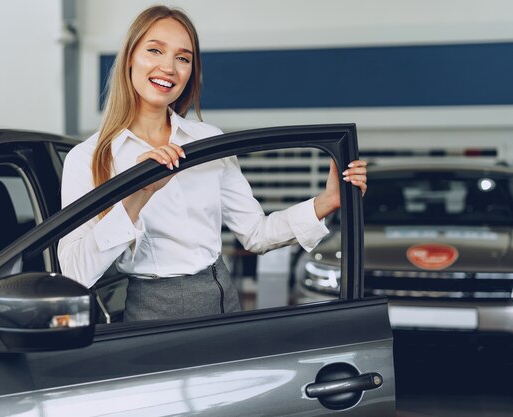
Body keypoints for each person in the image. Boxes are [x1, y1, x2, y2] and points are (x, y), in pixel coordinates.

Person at [58, 5, 367, 321]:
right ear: (129, 59)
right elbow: (74, 274)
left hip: (223, 301)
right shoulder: (88, 158)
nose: (168, 67)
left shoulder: (208, 141)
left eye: (183, 58)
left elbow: (255, 233)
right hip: (151, 311)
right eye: (154, 50)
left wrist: (327, 202)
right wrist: (139, 194)